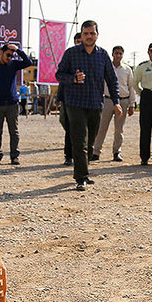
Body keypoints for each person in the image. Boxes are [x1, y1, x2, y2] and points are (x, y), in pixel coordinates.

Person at [55, 21, 121, 191]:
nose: (89, 36)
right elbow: (59, 74)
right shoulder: (71, 53)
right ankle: (81, 177)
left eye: (92, 33)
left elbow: (112, 80)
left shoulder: (103, 55)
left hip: (95, 103)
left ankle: (84, 170)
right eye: (86, 33)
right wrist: (73, 79)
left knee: (90, 142)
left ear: (97, 35)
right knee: (79, 141)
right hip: (75, 103)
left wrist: (116, 102)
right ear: (81, 35)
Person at [0, 42, 36, 165]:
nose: (9, 58)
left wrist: (18, 50)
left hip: (12, 103)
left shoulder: (13, 65)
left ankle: (14, 156)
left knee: (14, 132)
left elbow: (29, 63)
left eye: (11, 55)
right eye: (7, 55)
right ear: (1, 52)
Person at [93, 45, 135, 162]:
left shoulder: (127, 70)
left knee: (119, 129)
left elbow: (131, 87)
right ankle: (96, 152)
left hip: (123, 101)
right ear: (112, 54)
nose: (118, 55)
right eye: (116, 53)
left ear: (123, 55)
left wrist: (132, 104)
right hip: (107, 100)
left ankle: (117, 152)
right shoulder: (106, 67)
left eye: (120, 53)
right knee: (102, 127)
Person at [55, 32, 83, 166]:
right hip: (68, 99)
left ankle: (82, 156)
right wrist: (59, 97)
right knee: (68, 125)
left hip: (85, 100)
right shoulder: (70, 56)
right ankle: (69, 155)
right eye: (77, 41)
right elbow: (61, 77)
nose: (79, 42)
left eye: (80, 40)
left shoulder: (91, 57)